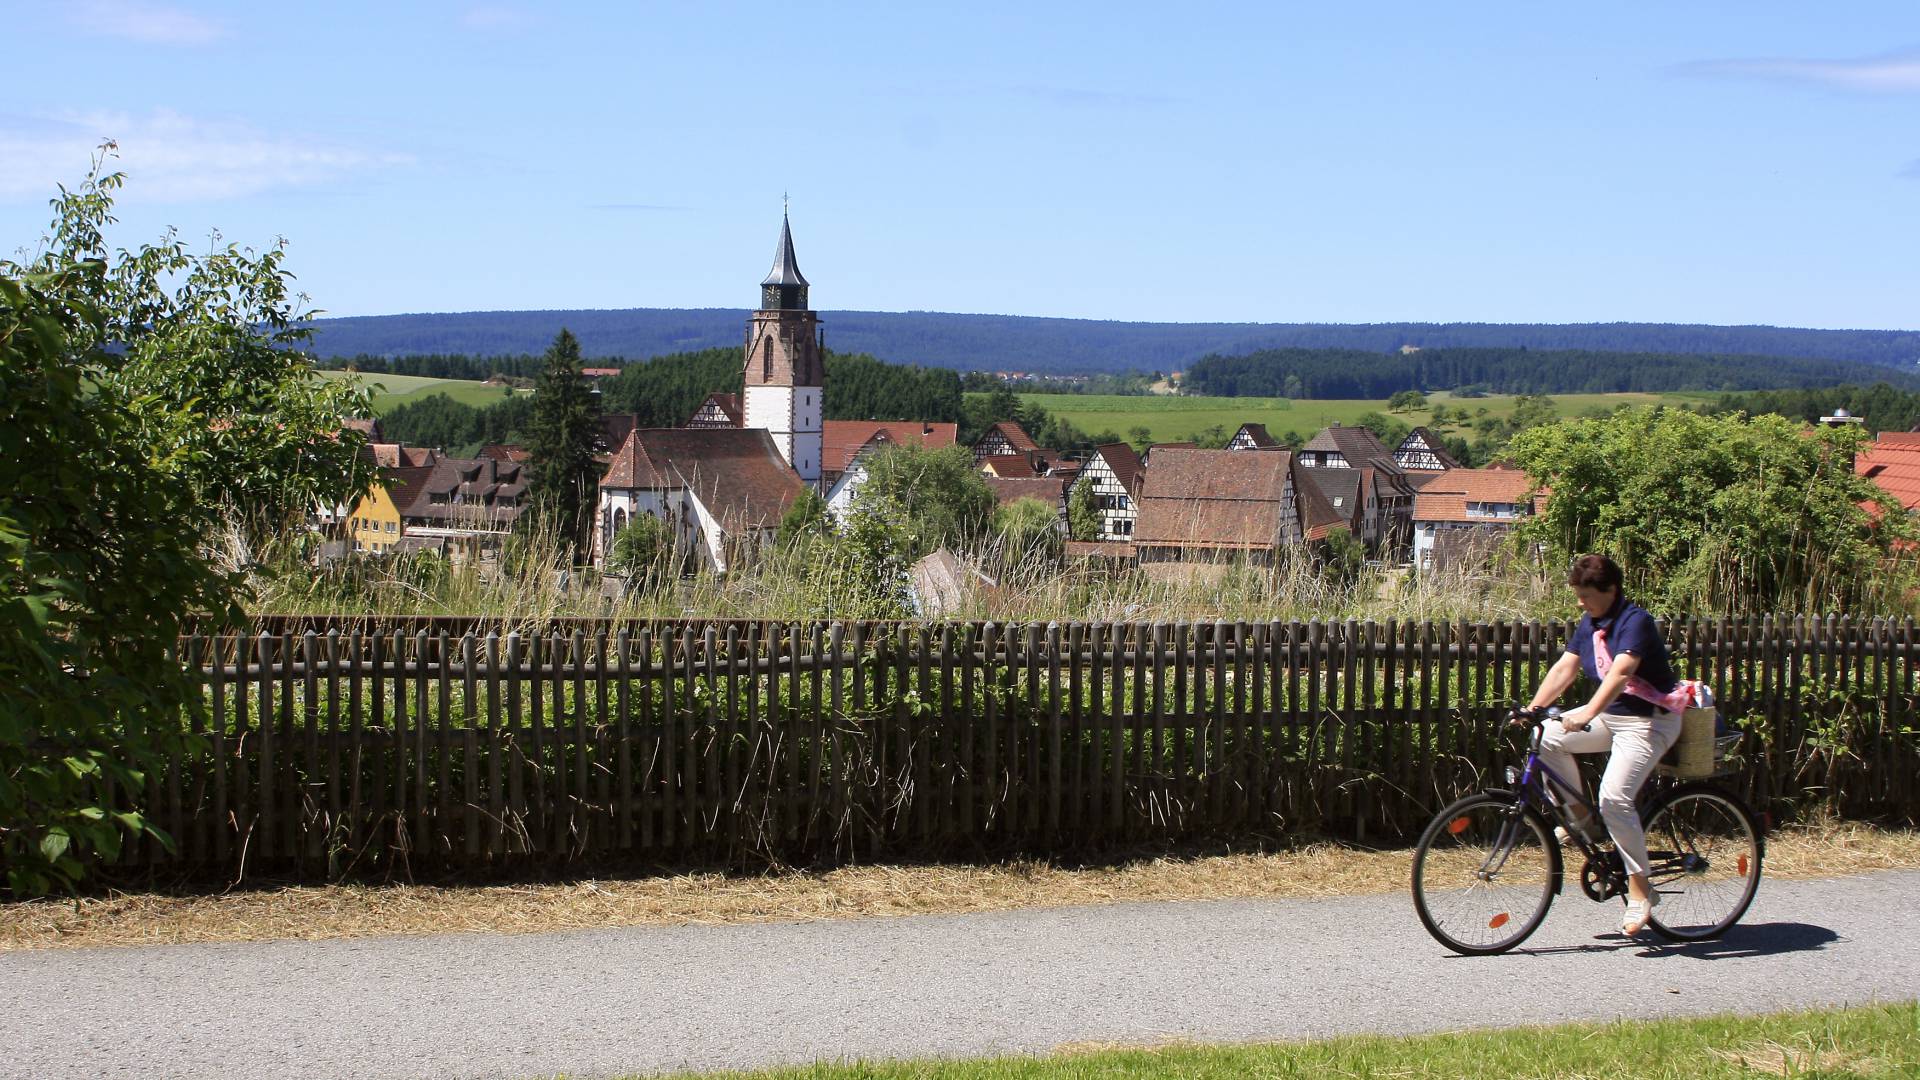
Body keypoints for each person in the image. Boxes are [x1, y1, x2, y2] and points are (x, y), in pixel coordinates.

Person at [1521, 554, 1687, 935]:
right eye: (1577, 594)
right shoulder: (1591, 622)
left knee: (1615, 797)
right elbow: (1565, 667)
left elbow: (1621, 672)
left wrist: (1587, 713)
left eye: (1585, 594)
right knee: (1545, 735)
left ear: (1610, 590)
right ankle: (1584, 822)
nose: (1580, 602)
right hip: (1612, 717)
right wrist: (1533, 708)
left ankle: (1641, 892)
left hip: (1649, 721)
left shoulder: (1635, 622)